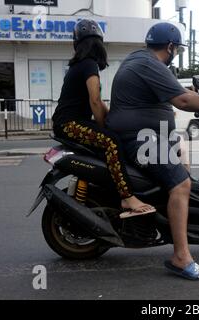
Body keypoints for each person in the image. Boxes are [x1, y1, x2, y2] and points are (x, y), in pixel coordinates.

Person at [106, 22, 199, 280]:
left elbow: (180, 92)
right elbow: (183, 100)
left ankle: (175, 221)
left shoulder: (144, 61)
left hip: (153, 136)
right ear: (171, 47)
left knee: (185, 165)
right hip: (140, 139)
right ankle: (181, 257)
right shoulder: (148, 63)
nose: (177, 53)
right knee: (182, 184)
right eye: (178, 49)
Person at [51, 19, 155, 219]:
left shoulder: (80, 65)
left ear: (77, 44)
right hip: (69, 125)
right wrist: (106, 127)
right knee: (111, 141)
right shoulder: (88, 64)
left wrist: (111, 119)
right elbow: (96, 101)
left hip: (68, 122)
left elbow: (99, 104)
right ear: (98, 44)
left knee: (111, 138)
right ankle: (127, 197)